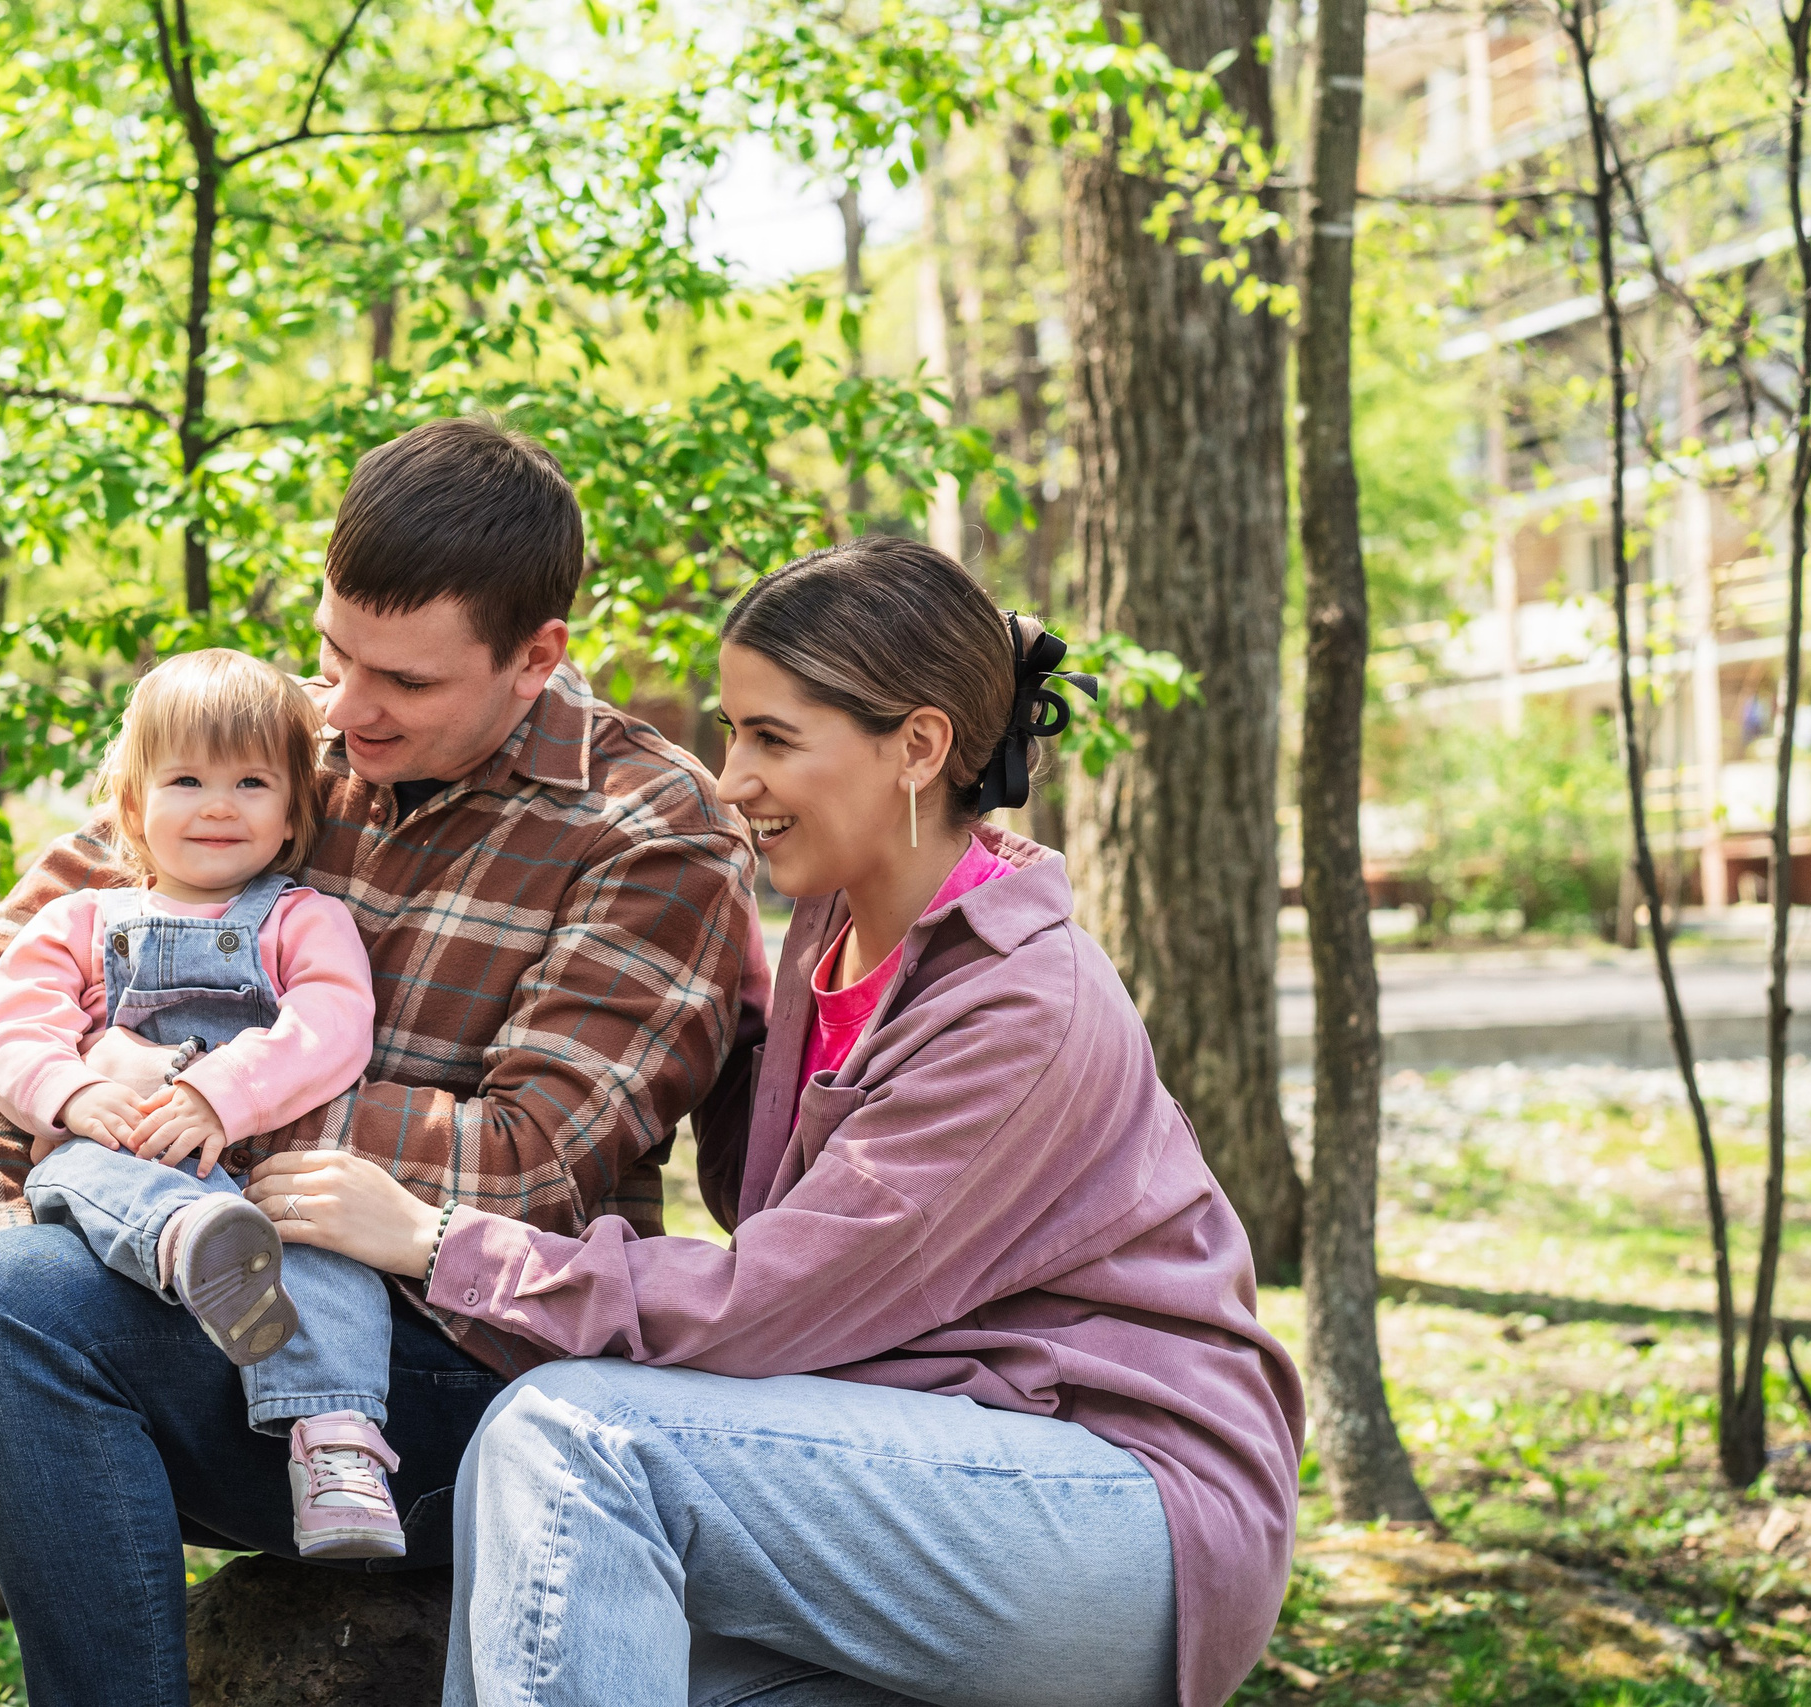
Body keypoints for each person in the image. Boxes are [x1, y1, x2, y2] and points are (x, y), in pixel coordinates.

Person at [0, 415, 760, 1707]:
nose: (347, 711)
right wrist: (6, 1210)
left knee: (15, 1308)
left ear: (535, 656)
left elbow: (531, 1164)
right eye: (335, 652)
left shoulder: (651, 834)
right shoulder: (269, 736)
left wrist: (189, 1105)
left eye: (407, 683)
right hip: (150, 1247)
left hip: (429, 1359)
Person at [251, 538, 1307, 1707]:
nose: (727, 778)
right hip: (913, 1462)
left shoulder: (1023, 1003)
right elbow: (748, 1164)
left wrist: (441, 1242)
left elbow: (777, 1300)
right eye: (729, 729)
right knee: (550, 1625)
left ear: (918, 745)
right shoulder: (831, 937)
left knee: (571, 1438)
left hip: (1116, 1509)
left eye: (770, 738)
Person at [0, 645, 412, 1559]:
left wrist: (222, 1095)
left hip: (253, 1175)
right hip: (126, 1160)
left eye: (252, 781)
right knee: (82, 1171)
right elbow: (12, 1031)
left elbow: (334, 1023)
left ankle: (338, 1456)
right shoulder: (80, 922)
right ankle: (186, 1241)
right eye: (186, 779)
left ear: (294, 810)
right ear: (133, 805)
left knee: (334, 1265)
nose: (219, 804)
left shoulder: (302, 919)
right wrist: (76, 1091)